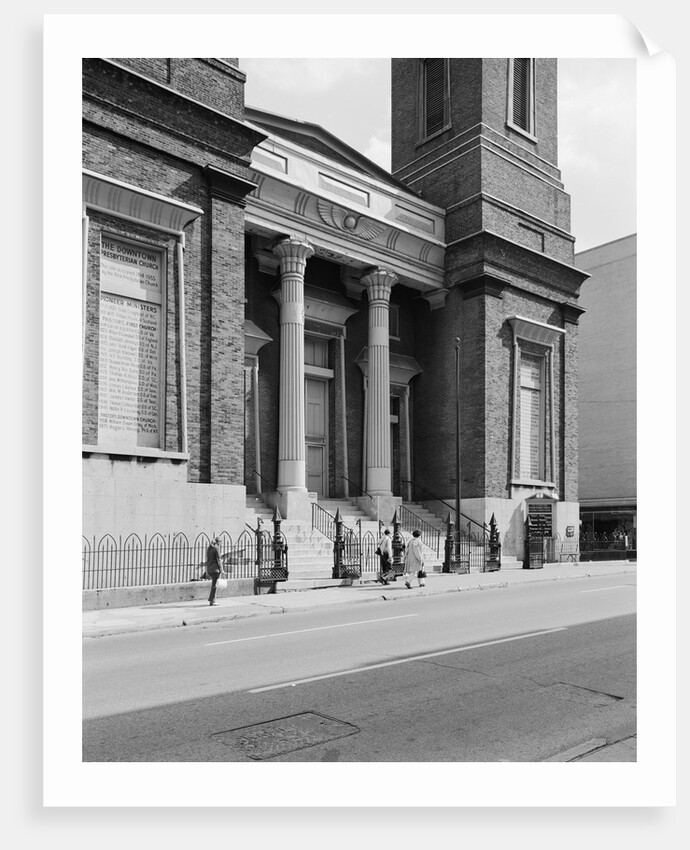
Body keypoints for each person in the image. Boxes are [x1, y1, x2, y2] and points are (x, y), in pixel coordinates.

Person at [206, 536, 224, 606]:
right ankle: (212, 601)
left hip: (210, 569)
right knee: (215, 586)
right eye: (220, 541)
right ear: (218, 542)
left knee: (214, 585)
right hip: (215, 569)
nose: (221, 543)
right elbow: (218, 560)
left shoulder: (210, 548)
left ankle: (211, 600)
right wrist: (221, 570)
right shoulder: (217, 548)